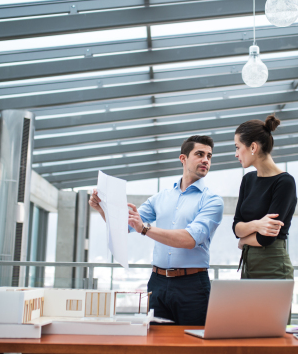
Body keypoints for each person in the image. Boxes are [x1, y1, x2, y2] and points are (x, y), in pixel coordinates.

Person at [89, 135, 224, 325]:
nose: (205, 160)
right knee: (155, 344)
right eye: (200, 154)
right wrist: (102, 209)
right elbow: (126, 225)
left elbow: (189, 239)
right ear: (183, 159)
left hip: (192, 285)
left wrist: (144, 229)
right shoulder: (160, 198)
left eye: (209, 156)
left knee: (193, 348)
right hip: (157, 283)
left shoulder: (212, 201)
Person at [232, 115, 297, 282]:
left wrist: (243, 241)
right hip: (249, 267)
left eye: (238, 147)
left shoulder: (284, 182)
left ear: (253, 146)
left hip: (274, 268)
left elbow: (266, 238)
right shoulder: (248, 180)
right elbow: (235, 227)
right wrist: (256, 225)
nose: (236, 154)